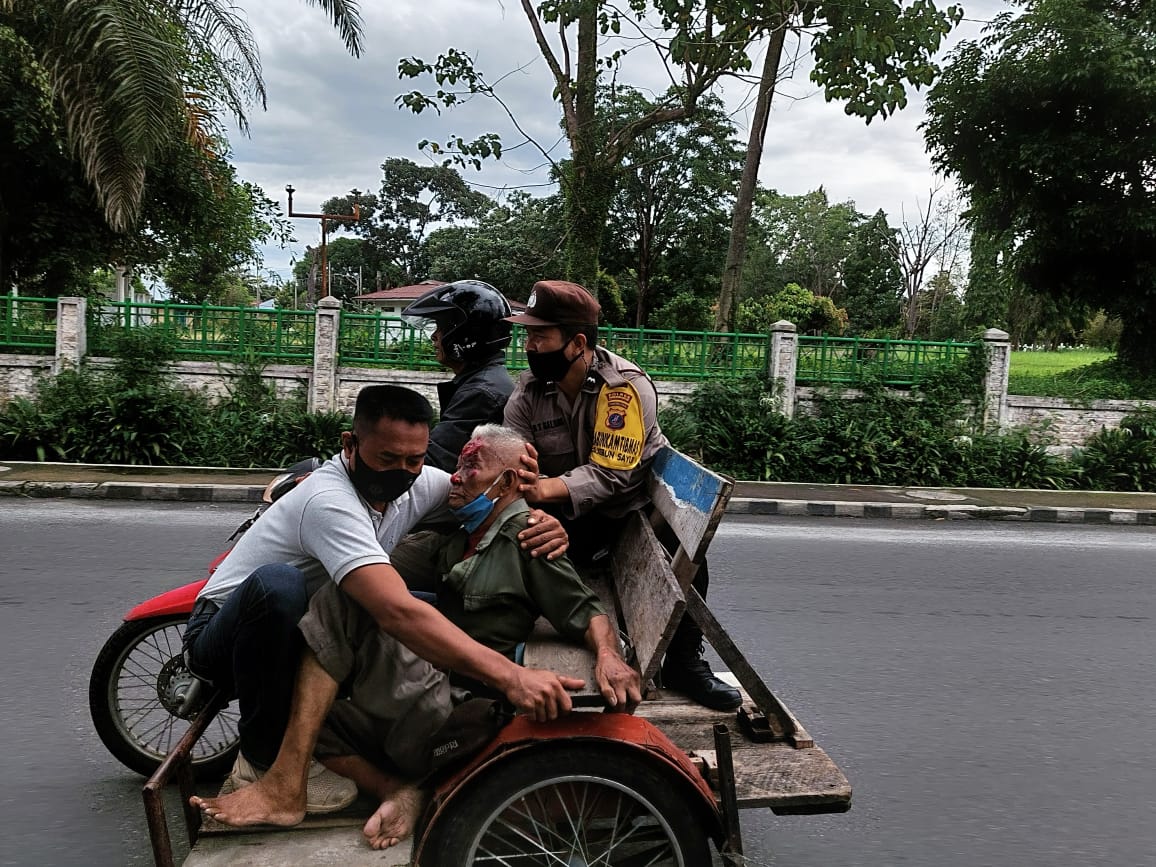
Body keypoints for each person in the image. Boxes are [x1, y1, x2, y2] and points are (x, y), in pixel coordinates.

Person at [194, 423, 637, 851]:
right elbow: (389, 576)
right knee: (299, 702)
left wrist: (608, 655)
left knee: (341, 601)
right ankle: (400, 791)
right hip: (426, 690)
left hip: (454, 704)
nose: (455, 480)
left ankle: (285, 786)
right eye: (456, 468)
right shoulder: (457, 533)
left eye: (470, 470)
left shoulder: (526, 537)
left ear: (503, 485)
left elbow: (586, 610)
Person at [503, 280, 743, 712]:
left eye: (540, 336)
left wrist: (543, 490)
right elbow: (516, 466)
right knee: (521, 538)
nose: (530, 346)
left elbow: (612, 477)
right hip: (571, 518)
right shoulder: (527, 393)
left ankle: (686, 663)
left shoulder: (623, 389)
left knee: (683, 548)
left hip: (627, 517)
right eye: (527, 335)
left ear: (577, 343)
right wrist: (538, 504)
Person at [400, 280, 515, 472]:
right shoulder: (482, 381)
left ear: (465, 334)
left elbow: (433, 462)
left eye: (441, 327)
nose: (433, 336)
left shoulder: (481, 393)